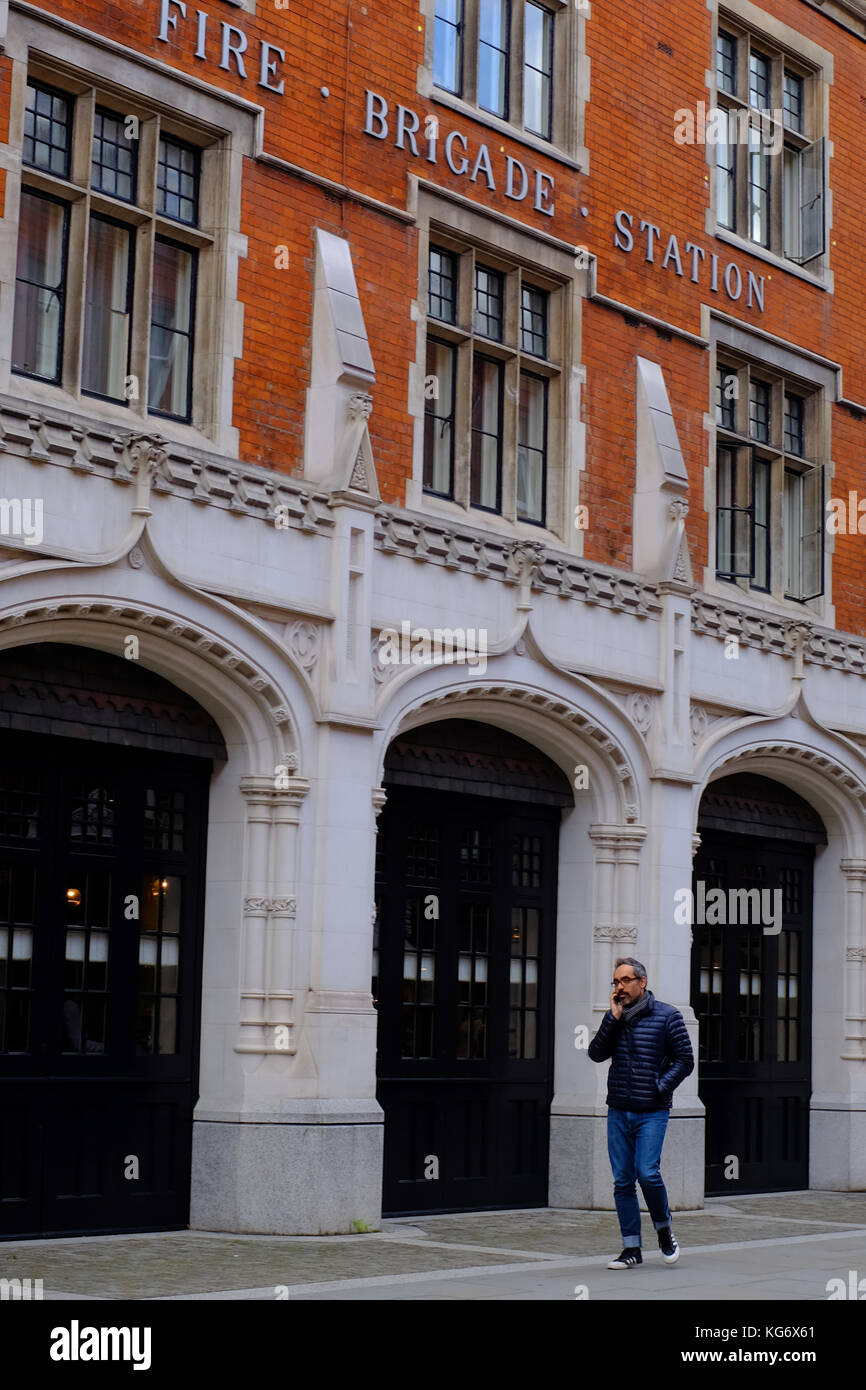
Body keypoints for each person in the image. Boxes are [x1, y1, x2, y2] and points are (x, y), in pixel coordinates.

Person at [588, 956, 694, 1269]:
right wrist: (612, 1018)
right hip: (619, 1109)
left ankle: (663, 1229)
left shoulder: (668, 1016)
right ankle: (631, 1248)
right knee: (622, 1181)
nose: (619, 987)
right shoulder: (616, 1018)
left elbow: (685, 1060)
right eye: (615, 982)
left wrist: (661, 1086)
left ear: (642, 982)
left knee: (647, 1172)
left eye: (624, 981)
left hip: (652, 1111)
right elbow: (595, 1054)